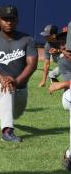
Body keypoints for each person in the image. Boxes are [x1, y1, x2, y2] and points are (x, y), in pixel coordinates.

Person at [0, 5, 38, 143]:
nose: (9, 22)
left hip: (20, 86)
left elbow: (32, 64)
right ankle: (7, 132)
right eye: (5, 19)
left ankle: (3, 112)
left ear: (17, 21)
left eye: (12, 19)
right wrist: (2, 79)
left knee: (15, 114)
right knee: (7, 88)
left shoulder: (27, 40)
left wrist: (17, 82)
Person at [47, 31, 71, 170]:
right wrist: (64, 84)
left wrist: (61, 84)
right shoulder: (63, 61)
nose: (67, 51)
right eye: (63, 48)